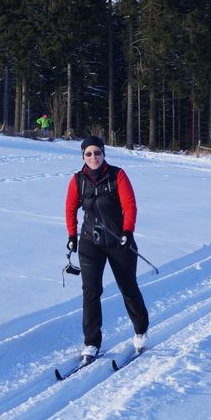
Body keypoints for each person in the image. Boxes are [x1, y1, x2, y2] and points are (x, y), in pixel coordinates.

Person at [65, 136, 149, 360]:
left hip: (118, 241)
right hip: (90, 242)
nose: (93, 157)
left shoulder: (117, 175)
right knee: (91, 291)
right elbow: (70, 208)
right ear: (83, 156)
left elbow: (130, 205)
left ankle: (141, 330)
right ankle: (91, 342)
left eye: (97, 153)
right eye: (88, 154)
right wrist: (72, 235)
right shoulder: (78, 180)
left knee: (128, 287)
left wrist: (127, 231)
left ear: (104, 154)